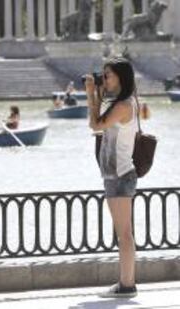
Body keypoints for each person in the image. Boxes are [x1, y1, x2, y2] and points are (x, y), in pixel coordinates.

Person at [85, 57, 138, 298]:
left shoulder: (123, 106)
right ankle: (126, 283)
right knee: (124, 232)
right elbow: (97, 124)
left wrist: (90, 94)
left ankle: (127, 284)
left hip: (119, 175)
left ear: (120, 77)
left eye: (107, 75)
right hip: (116, 174)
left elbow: (95, 125)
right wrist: (96, 93)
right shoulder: (120, 103)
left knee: (124, 233)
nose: (103, 79)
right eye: (103, 75)